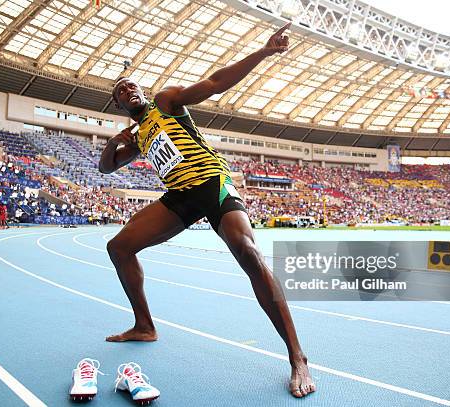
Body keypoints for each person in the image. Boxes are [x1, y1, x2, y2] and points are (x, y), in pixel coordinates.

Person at [99, 23, 315, 398]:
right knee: (118, 248)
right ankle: (144, 325)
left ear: (143, 92)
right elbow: (107, 168)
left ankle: (297, 357)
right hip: (180, 195)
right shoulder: (136, 137)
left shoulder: (167, 101)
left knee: (247, 252)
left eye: (132, 84)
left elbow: (214, 83)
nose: (128, 89)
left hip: (211, 182)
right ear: (118, 105)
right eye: (120, 91)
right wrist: (113, 143)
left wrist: (264, 51)